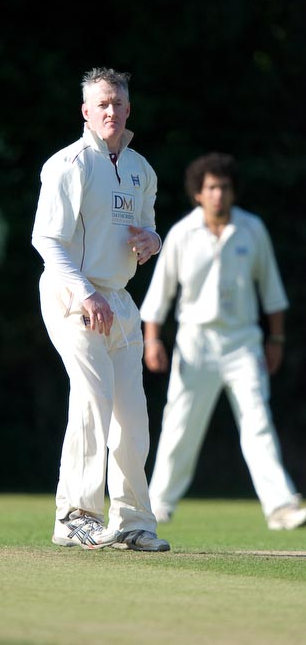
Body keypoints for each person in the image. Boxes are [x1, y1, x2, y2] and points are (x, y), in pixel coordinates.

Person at [31, 67, 170, 551]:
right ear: (86, 111)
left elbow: (147, 229)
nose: (111, 111)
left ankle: (132, 521)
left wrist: (152, 242)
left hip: (119, 301)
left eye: (118, 103)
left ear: (129, 110)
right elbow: (46, 239)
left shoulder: (140, 169)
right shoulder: (68, 164)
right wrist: (85, 293)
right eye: (102, 104)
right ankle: (75, 516)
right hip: (72, 296)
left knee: (132, 417)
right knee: (93, 399)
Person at [140, 152, 306, 531]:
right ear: (198, 193)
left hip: (242, 341)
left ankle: (280, 506)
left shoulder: (252, 229)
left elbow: (272, 292)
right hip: (195, 341)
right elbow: (159, 296)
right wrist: (152, 341)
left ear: (233, 192)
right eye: (211, 188)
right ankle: (157, 506)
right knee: (180, 425)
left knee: (257, 421)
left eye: (224, 188)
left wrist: (276, 339)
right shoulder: (182, 233)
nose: (218, 195)